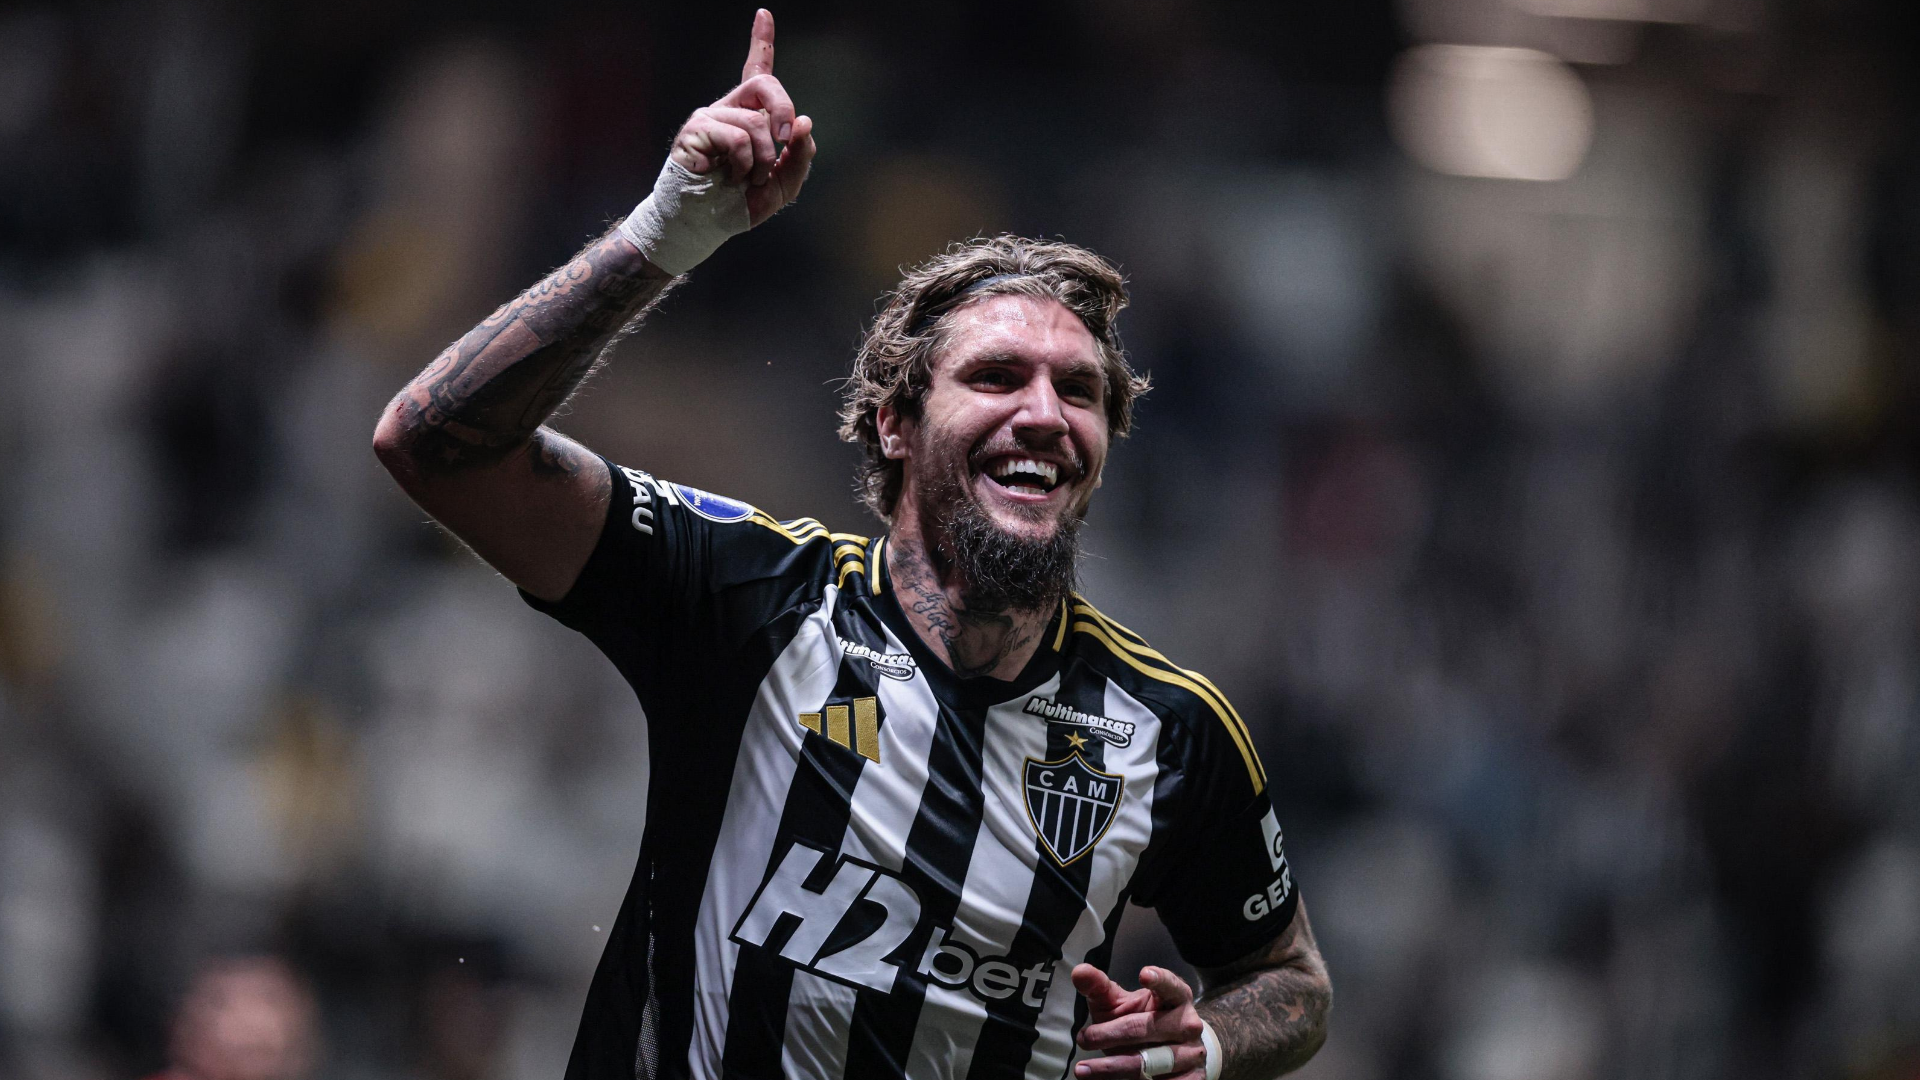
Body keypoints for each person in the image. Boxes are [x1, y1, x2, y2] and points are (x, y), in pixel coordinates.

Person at [373, 10, 1329, 1080]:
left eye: (1082, 391)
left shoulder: (1173, 732)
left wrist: (1204, 1041)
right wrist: (662, 238)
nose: (1047, 412)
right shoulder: (749, 595)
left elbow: (1288, 981)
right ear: (895, 423)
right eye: (998, 377)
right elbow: (434, 446)